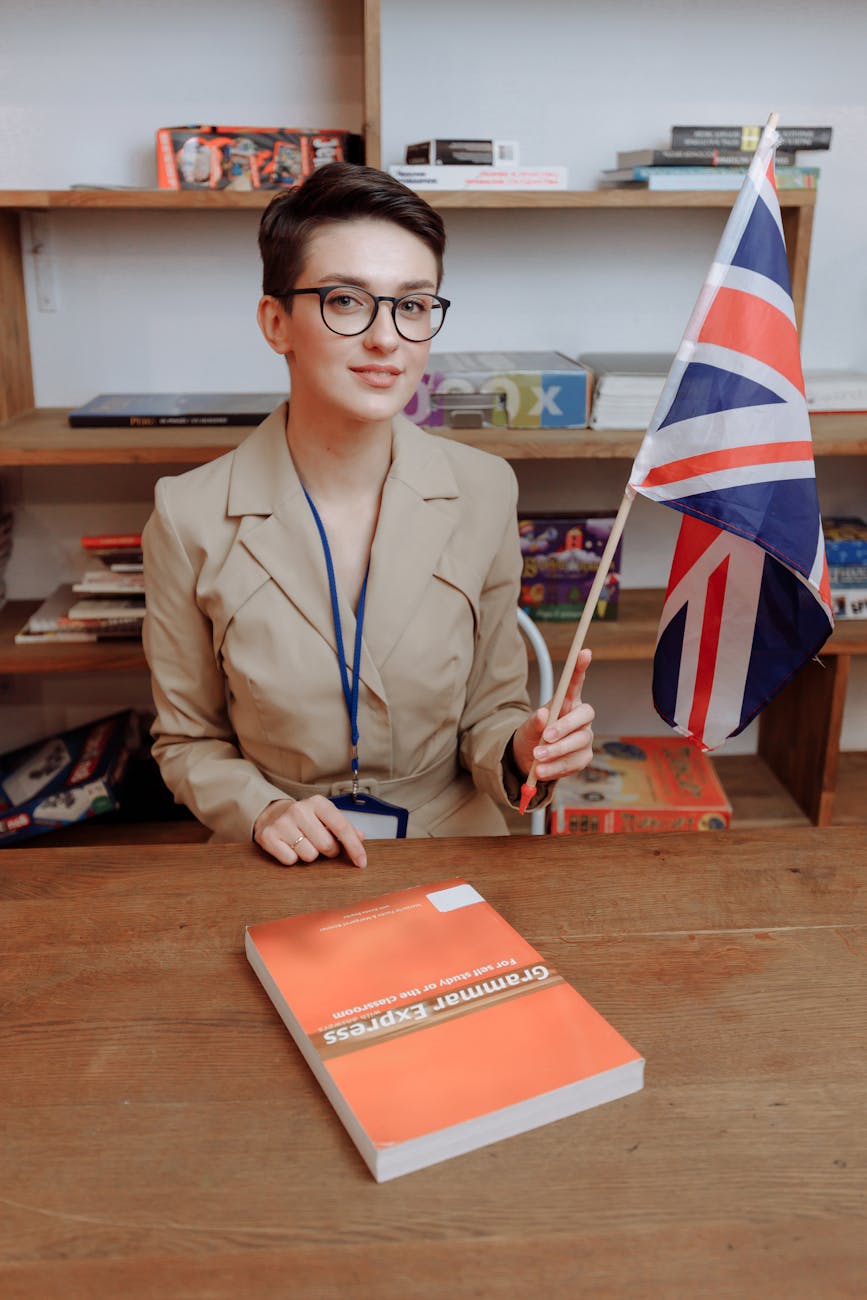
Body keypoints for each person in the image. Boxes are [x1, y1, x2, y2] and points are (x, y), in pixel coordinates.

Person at [142, 162, 595, 868]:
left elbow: (490, 712)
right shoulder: (187, 514)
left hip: (453, 847)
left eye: (412, 306)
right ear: (276, 322)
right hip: (280, 856)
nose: (387, 339)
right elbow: (187, 741)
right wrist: (262, 811)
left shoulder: (484, 489)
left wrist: (522, 748)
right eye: (347, 301)